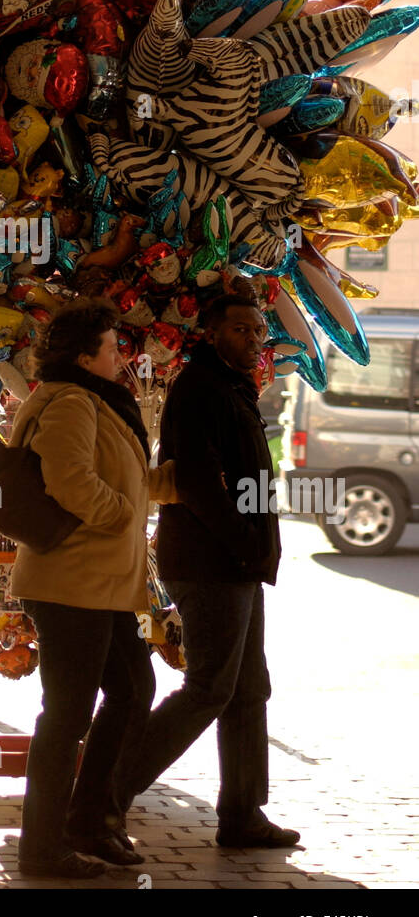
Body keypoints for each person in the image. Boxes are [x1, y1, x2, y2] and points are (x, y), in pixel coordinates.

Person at [114, 294, 301, 850]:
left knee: (248, 690)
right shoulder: (200, 386)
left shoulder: (234, 389)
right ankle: (104, 792)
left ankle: (243, 814)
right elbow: (197, 481)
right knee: (209, 689)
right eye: (239, 328)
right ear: (211, 333)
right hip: (210, 562)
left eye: (258, 329)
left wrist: (250, 552)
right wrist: (243, 544)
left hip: (237, 564)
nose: (252, 337)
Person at [10, 298, 176, 880]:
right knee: (66, 715)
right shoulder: (71, 401)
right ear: (84, 356)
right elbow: (71, 480)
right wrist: (124, 514)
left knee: (133, 689)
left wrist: (159, 487)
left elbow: (109, 475)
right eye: (110, 346)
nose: (119, 354)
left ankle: (89, 819)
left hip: (104, 585)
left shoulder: (96, 400)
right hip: (70, 583)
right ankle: (42, 846)